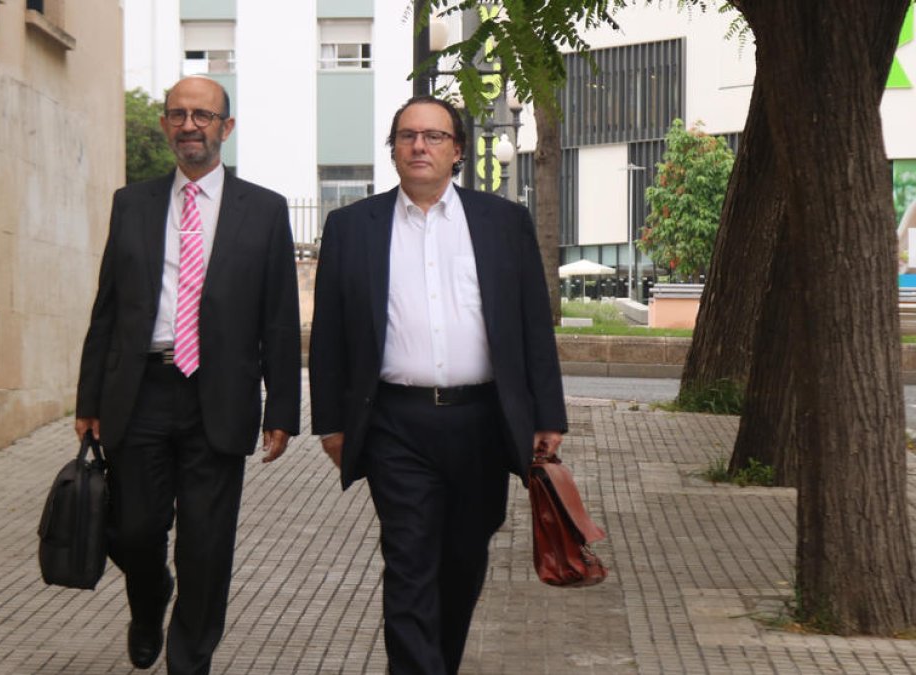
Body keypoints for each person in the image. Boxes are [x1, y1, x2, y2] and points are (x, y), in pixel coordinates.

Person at [308, 95, 568, 675]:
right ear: (394, 150)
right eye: (406, 136)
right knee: (408, 563)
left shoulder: (503, 224)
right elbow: (329, 334)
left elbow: (532, 326)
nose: (418, 146)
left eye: (433, 136)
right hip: (395, 425)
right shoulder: (352, 227)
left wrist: (547, 415)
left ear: (457, 150)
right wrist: (329, 422)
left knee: (462, 560)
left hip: (482, 421)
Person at [74, 76, 301, 674]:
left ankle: (189, 659)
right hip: (139, 391)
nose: (189, 125)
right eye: (177, 114)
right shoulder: (133, 204)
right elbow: (108, 307)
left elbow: (279, 319)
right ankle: (149, 602)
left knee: (206, 544)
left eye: (203, 115)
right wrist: (88, 398)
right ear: (165, 126)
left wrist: (282, 409)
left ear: (226, 127)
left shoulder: (266, 210)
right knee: (132, 531)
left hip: (218, 398)